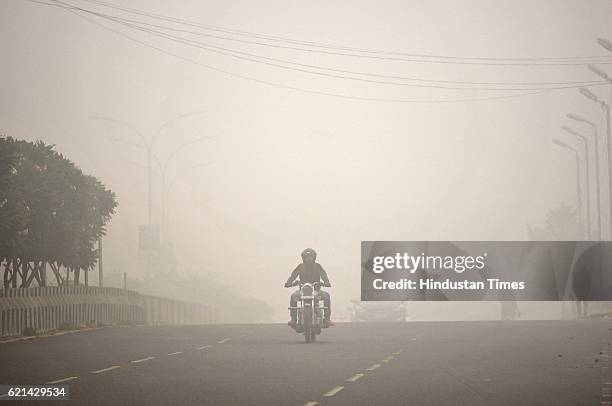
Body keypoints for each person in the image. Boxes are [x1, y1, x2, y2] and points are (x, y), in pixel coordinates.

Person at [285, 248, 333, 328]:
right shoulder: (300, 267)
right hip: (302, 292)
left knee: (326, 296)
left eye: (310, 257)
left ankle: (327, 319)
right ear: (303, 258)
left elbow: (324, 275)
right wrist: (289, 283)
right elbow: (293, 275)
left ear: (314, 257)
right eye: (307, 257)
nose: (309, 259)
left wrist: (326, 282)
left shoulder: (317, 266)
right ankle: (293, 319)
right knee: (293, 296)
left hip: (316, 291)